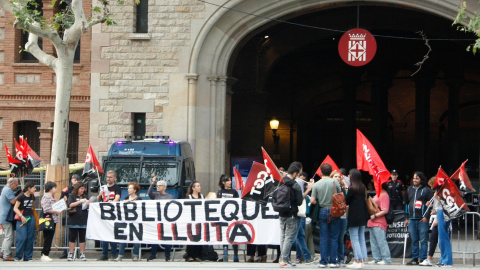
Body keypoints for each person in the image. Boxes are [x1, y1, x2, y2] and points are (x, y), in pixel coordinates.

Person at [311, 163, 342, 268]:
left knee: (324, 238)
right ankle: (333, 261)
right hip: (334, 211)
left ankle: (323, 261)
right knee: (334, 237)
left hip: (322, 210)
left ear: (320, 171)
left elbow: (312, 200)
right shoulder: (335, 182)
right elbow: (340, 196)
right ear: (331, 171)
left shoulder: (316, 184)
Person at [277, 161, 303, 267]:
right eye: (300, 172)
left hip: (281, 212)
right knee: (289, 237)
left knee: (283, 236)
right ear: (295, 173)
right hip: (291, 213)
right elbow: (299, 201)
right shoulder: (295, 185)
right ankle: (284, 259)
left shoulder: (280, 181)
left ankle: (283, 258)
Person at [404, 171, 433, 266]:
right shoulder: (409, 189)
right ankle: (415, 258)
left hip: (422, 219)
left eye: (417, 178)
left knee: (424, 239)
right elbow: (406, 204)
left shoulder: (427, 190)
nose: (414, 180)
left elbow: (431, 204)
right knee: (414, 239)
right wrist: (406, 217)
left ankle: (423, 259)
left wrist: (426, 216)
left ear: (421, 179)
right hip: (412, 219)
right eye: (414, 178)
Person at [345, 169, 369, 269]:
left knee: (354, 239)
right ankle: (363, 259)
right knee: (361, 238)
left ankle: (357, 260)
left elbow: (347, 201)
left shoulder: (351, 188)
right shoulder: (363, 187)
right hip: (363, 215)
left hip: (354, 216)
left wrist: (346, 191)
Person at [97, 170, 122, 261]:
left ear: (115, 178)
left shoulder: (117, 188)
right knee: (104, 234)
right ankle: (104, 254)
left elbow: (117, 198)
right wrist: (100, 195)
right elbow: (99, 200)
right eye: (107, 177)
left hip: (113, 214)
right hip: (104, 213)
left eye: (110, 177)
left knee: (112, 234)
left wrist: (112, 202)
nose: (108, 178)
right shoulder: (102, 187)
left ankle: (113, 254)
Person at [147, 178, 173, 262]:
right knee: (155, 236)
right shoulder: (155, 196)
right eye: (157, 186)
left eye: (159, 186)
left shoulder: (170, 197)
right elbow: (149, 193)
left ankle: (167, 255)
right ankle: (153, 254)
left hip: (166, 220)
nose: (157, 187)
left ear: (164, 187)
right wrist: (153, 183)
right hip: (157, 220)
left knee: (167, 237)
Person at [367, 182, 392, 265]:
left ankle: (386, 259)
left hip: (379, 221)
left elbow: (385, 210)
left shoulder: (384, 195)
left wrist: (375, 215)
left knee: (381, 241)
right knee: (373, 241)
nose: (375, 185)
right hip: (372, 221)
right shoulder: (377, 194)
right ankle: (377, 258)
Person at [216, 174, 240, 262]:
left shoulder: (234, 192)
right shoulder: (219, 192)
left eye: (230, 180)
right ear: (223, 182)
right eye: (228, 181)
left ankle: (236, 254)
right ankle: (225, 251)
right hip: (223, 217)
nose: (230, 182)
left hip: (233, 217)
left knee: (234, 235)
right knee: (224, 235)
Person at [116, 182, 142, 261]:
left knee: (136, 238)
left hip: (135, 221)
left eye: (130, 188)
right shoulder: (126, 198)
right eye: (128, 188)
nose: (128, 190)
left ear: (135, 190)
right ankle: (120, 255)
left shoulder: (139, 199)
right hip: (126, 221)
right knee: (123, 237)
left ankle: (136, 255)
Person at [13, 181, 37, 261]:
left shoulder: (32, 196)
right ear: (29, 188)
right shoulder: (21, 196)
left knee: (30, 237)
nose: (35, 189)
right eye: (34, 187)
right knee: (22, 237)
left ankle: (28, 256)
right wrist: (21, 216)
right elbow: (15, 208)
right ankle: (18, 256)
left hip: (30, 217)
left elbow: (32, 208)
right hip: (22, 217)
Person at [294, 172, 314, 264]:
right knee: (296, 236)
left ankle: (305, 257)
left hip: (300, 213)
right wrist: (309, 189)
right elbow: (300, 198)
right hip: (297, 212)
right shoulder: (295, 182)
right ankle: (285, 257)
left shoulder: (300, 182)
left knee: (300, 236)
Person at [67, 182, 90, 261]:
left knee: (82, 237)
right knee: (72, 237)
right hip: (74, 219)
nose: (82, 190)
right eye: (81, 189)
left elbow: (88, 206)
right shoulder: (72, 196)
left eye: (83, 189)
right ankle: (71, 253)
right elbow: (70, 205)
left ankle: (82, 253)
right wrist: (80, 201)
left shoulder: (85, 196)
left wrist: (87, 203)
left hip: (83, 218)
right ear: (77, 189)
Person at [59, 174, 81, 259]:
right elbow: (61, 200)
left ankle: (79, 252)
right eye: (73, 179)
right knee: (68, 234)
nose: (75, 181)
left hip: (79, 213)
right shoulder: (66, 190)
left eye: (76, 180)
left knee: (80, 235)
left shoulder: (82, 189)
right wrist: (65, 201)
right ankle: (66, 251)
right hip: (69, 213)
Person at [40, 181, 62, 262]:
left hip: (53, 219)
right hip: (48, 219)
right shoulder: (47, 197)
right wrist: (55, 211)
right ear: (50, 188)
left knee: (50, 236)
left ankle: (46, 253)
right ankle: (44, 254)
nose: (55, 189)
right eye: (54, 188)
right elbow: (46, 209)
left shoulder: (53, 197)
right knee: (47, 237)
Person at [0, 177, 19, 261]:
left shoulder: (5, 189)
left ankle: (3, 252)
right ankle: (6, 255)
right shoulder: (8, 190)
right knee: (9, 236)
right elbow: (13, 201)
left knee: (6, 236)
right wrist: (19, 195)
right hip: (6, 217)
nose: (17, 187)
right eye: (16, 185)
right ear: (12, 184)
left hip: (3, 216)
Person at [185, 181, 204, 262]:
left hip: (200, 220)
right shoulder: (188, 198)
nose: (199, 187)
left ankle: (198, 255)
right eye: (198, 186)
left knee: (199, 237)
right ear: (193, 188)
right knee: (191, 238)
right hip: (191, 220)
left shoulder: (202, 197)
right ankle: (190, 255)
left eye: (200, 186)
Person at [332, 170, 348, 267]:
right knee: (333, 237)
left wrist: (346, 190)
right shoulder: (331, 188)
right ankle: (333, 258)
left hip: (342, 216)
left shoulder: (343, 189)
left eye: (339, 177)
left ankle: (341, 259)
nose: (337, 178)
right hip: (333, 215)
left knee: (340, 238)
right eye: (335, 176)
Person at [422, 177, 438, 267]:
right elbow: (437, 206)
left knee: (437, 239)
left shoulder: (439, 193)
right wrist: (432, 206)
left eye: (432, 185)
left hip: (440, 218)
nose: (431, 188)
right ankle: (429, 258)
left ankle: (445, 259)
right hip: (437, 216)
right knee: (433, 239)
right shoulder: (436, 193)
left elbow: (442, 205)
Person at [434, 192, 453, 267]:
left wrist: (437, 198)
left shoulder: (445, 191)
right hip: (439, 211)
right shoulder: (439, 191)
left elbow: (447, 203)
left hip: (443, 212)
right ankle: (443, 258)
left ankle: (447, 261)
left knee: (444, 237)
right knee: (441, 238)